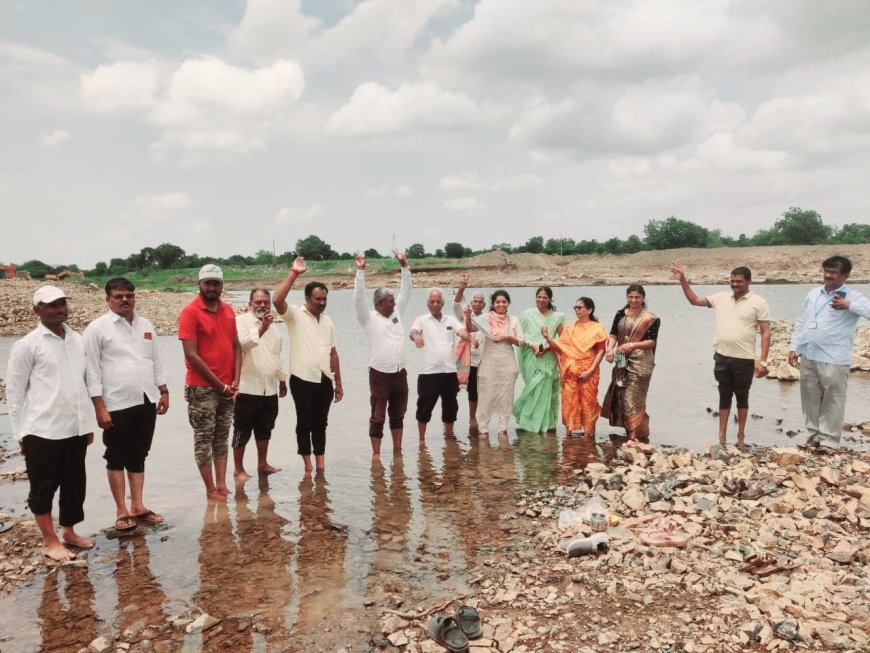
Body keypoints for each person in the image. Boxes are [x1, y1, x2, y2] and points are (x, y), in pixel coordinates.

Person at [6, 286, 97, 561]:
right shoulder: (27, 345)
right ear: (38, 311)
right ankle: (48, 541)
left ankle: (68, 531)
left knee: (74, 484)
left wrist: (87, 423)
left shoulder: (77, 340)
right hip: (41, 429)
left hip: (75, 428)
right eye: (51, 305)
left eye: (62, 303)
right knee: (43, 487)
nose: (59, 309)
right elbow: (15, 392)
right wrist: (19, 434)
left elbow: (84, 382)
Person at [84, 278, 169, 530]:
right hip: (116, 402)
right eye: (119, 296)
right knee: (116, 455)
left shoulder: (145, 325)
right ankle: (121, 511)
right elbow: (91, 371)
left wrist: (163, 390)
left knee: (139, 453)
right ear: (107, 299)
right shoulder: (97, 329)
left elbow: (155, 360)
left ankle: (138, 506)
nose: (125, 300)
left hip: (145, 398)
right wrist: (99, 407)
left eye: (129, 295)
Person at [671, 263, 770, 445]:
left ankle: (741, 436)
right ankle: (722, 435)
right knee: (724, 394)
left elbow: (765, 332)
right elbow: (694, 300)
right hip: (722, 355)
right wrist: (683, 280)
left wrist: (763, 360)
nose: (734, 284)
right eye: (732, 280)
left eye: (739, 281)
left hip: (745, 358)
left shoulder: (759, 302)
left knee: (742, 395)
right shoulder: (721, 297)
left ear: (748, 281)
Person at [788, 256, 870, 452]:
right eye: (826, 270)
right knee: (810, 398)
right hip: (809, 353)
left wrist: (849, 305)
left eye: (833, 272)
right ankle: (813, 436)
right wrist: (794, 347)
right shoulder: (813, 294)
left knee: (833, 399)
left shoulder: (853, 296)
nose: (827, 275)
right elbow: (801, 322)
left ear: (845, 275)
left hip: (834, 357)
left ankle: (830, 441)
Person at [273, 257, 343, 476]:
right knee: (304, 422)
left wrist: (338, 382)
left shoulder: (328, 321)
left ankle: (320, 463)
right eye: (317, 299)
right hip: (302, 379)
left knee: (321, 423)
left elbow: (333, 353)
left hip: (324, 379)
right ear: (307, 298)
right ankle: (307, 465)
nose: (321, 303)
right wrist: (294, 273)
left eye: (324, 299)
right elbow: (277, 300)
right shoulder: (295, 315)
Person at [178, 264, 242, 501]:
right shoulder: (190, 311)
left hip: (228, 387)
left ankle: (222, 485)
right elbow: (191, 355)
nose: (212, 288)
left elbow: (236, 346)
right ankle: (210, 489)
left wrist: (235, 380)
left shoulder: (228, 310)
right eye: (208, 283)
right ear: (200, 284)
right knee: (203, 439)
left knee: (222, 437)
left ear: (222, 285)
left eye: (216, 283)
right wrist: (220, 385)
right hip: (202, 388)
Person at [354, 250, 412, 457]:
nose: (394, 302)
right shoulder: (368, 318)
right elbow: (358, 299)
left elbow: (406, 292)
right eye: (390, 300)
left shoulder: (396, 313)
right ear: (380, 303)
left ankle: (397, 450)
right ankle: (376, 455)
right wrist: (360, 271)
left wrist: (405, 266)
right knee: (378, 416)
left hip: (400, 372)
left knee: (398, 414)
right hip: (379, 374)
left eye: (393, 300)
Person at [232, 288, 287, 481]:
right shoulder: (241, 321)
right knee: (241, 429)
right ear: (250, 304)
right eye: (258, 302)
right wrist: (262, 328)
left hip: (269, 388)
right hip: (247, 387)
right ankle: (238, 469)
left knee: (265, 428)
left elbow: (275, 355)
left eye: (266, 302)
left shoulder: (274, 326)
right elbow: (242, 345)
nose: (262, 306)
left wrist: (282, 378)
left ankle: (262, 464)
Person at [601, 284, 660, 443]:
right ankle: (638, 433)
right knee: (621, 396)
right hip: (621, 361)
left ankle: (633, 437)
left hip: (641, 363)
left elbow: (651, 342)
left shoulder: (650, 318)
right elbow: (613, 334)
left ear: (643, 298)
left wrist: (632, 345)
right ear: (627, 297)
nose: (633, 300)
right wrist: (609, 349)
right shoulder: (620, 314)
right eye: (630, 297)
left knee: (633, 398)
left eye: (637, 297)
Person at [542, 297, 608, 436]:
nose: (577, 310)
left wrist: (590, 370)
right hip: (569, 371)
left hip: (589, 370)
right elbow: (560, 347)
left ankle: (589, 436)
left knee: (588, 402)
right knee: (569, 403)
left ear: (589, 310)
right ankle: (569, 435)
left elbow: (601, 351)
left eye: (580, 307)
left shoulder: (597, 328)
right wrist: (548, 338)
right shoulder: (570, 327)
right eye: (575, 307)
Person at [410, 289, 469, 440]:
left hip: (449, 372)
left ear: (443, 303)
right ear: (428, 303)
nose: (435, 304)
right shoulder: (421, 320)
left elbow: (462, 332)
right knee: (424, 409)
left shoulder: (450, 320)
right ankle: (421, 441)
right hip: (428, 373)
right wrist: (416, 337)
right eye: (432, 301)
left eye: (438, 302)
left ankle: (448, 437)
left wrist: (467, 337)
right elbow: (413, 332)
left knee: (450, 408)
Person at [465, 289, 525, 437]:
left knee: (506, 394)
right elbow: (470, 328)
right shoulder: (485, 317)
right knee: (486, 393)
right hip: (489, 360)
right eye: (498, 302)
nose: (501, 304)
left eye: (504, 301)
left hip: (507, 360)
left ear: (508, 303)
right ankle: (483, 429)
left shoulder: (514, 320)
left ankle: (502, 429)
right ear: (493, 304)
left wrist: (507, 337)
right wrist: (467, 317)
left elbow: (521, 342)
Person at [513, 286, 565, 432]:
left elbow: (563, 339)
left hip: (548, 358)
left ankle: (545, 426)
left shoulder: (558, 317)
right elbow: (521, 336)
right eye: (539, 297)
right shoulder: (527, 315)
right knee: (532, 389)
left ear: (550, 299)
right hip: (531, 357)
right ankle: (529, 424)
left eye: (544, 297)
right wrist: (533, 346)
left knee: (546, 391)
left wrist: (546, 347)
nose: (541, 299)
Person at [452, 272, 485, 429]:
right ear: (471, 303)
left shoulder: (486, 318)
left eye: (480, 302)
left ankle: (472, 418)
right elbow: (457, 303)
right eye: (475, 302)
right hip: (463, 358)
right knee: (454, 387)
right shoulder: (464, 314)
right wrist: (461, 288)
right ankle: (451, 418)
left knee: (474, 391)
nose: (477, 304)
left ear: (484, 305)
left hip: (479, 361)